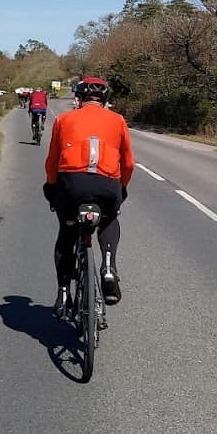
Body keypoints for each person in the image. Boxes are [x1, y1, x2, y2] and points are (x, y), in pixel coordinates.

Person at [43, 76, 135, 316]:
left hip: (71, 186)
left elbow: (52, 162)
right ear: (105, 100)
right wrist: (121, 187)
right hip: (107, 185)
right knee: (109, 219)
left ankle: (63, 294)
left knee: (67, 233)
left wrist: (51, 187)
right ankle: (107, 266)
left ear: (79, 98)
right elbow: (129, 163)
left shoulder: (63, 119)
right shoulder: (118, 120)